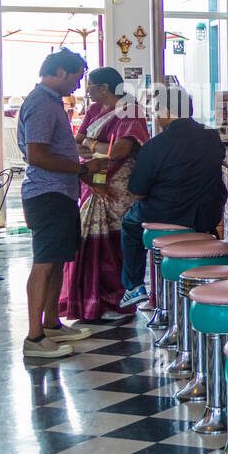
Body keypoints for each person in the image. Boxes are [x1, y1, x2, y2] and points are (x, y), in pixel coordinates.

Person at [15, 49, 109, 358]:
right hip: (47, 193)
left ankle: (52, 324)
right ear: (58, 71)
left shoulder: (51, 101)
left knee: (56, 259)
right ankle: (34, 337)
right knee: (44, 262)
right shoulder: (41, 103)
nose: (78, 84)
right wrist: (82, 169)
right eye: (76, 77)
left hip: (60, 191)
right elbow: (37, 155)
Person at [118, 85, 227, 308]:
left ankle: (134, 285)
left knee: (130, 223)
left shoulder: (155, 146)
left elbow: (137, 192)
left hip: (165, 216)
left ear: (167, 111)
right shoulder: (212, 137)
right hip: (205, 218)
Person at [60, 68, 150, 321]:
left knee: (116, 243)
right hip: (92, 181)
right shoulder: (93, 110)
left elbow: (120, 151)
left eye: (90, 85)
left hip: (118, 185)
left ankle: (116, 299)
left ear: (104, 88)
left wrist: (91, 144)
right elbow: (73, 143)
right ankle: (91, 302)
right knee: (88, 241)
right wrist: (96, 146)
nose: (85, 90)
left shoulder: (130, 109)